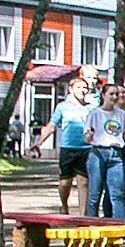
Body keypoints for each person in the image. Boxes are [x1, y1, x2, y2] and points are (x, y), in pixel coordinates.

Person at [35, 75, 94, 213]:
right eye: (79, 87)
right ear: (71, 90)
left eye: (85, 88)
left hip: (86, 149)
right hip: (68, 148)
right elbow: (51, 126)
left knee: (83, 182)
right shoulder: (62, 107)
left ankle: (82, 216)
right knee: (65, 183)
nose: (82, 90)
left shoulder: (91, 108)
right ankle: (64, 206)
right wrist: (39, 143)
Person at [82, 82, 125, 218]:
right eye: (111, 94)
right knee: (95, 193)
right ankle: (91, 224)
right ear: (104, 95)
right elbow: (87, 138)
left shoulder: (121, 114)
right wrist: (89, 134)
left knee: (117, 193)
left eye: (116, 94)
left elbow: (122, 135)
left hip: (115, 155)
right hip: (98, 153)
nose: (114, 97)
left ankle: (118, 225)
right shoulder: (95, 114)